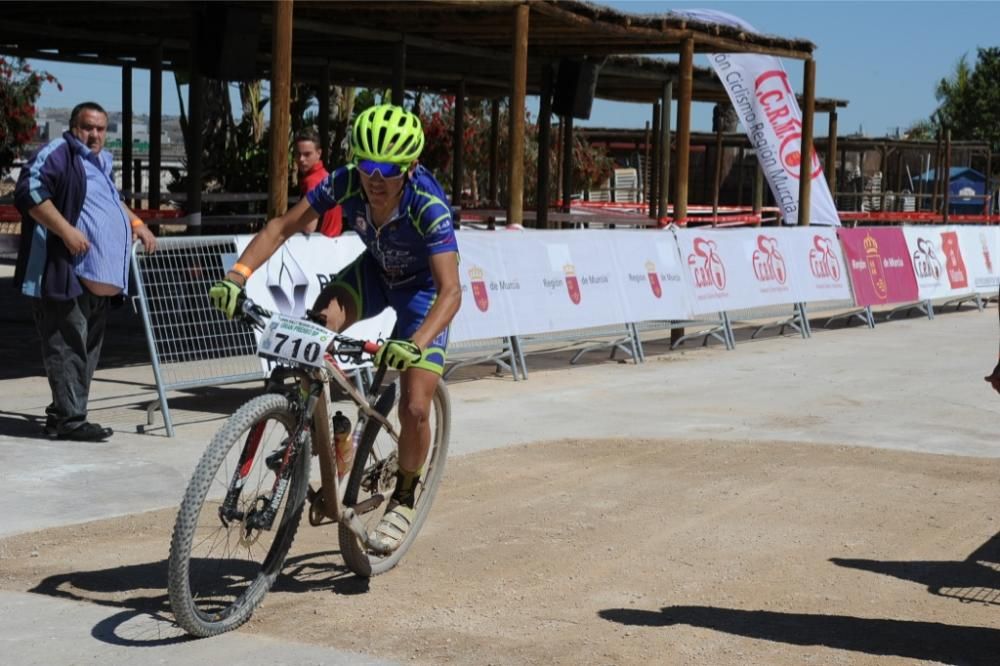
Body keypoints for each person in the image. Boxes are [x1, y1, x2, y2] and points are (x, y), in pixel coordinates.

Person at [209, 103, 461, 551]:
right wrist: (237, 275)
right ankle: (320, 430)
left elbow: (451, 292)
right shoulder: (344, 181)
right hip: (374, 273)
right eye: (367, 164)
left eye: (388, 168)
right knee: (317, 327)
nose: (375, 178)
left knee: (415, 406)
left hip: (422, 293)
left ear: (411, 166)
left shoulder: (428, 205)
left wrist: (414, 344)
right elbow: (283, 227)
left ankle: (403, 496)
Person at [14, 101, 158, 441]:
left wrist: (137, 224)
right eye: (87, 127)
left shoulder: (100, 163)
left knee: (84, 352)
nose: (94, 134)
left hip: (95, 282)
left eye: (100, 128)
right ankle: (71, 421)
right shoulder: (59, 153)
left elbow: (114, 201)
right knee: (66, 347)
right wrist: (66, 230)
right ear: (73, 126)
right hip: (63, 272)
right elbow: (28, 191)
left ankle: (62, 414)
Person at [293, 128, 342, 237]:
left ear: (318, 153)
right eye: (298, 154)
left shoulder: (312, 182)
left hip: (318, 246)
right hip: (333, 243)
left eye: (307, 154)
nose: (301, 159)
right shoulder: (327, 177)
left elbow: (309, 227)